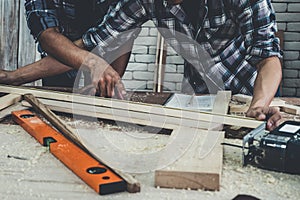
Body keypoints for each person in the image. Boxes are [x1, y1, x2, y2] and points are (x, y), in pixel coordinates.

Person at [0, 0, 282, 130]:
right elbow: (90, 45)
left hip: (251, 97)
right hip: (202, 100)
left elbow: (268, 57)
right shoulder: (144, 1)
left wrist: (259, 104)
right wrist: (13, 78)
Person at [0, 0, 131, 98]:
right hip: (60, 53)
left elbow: (123, 32)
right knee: (56, 100)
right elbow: (47, 36)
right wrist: (14, 77)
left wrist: (111, 79)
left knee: (102, 97)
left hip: (109, 47)